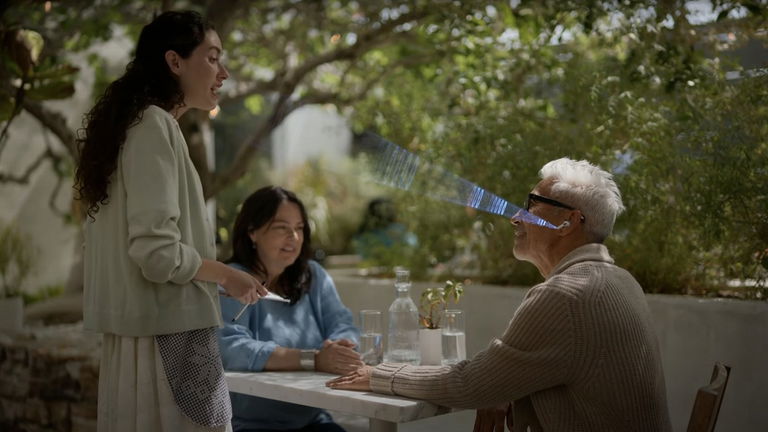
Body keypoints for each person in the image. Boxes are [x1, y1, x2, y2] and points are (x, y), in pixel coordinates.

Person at [328, 158, 673, 432]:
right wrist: (508, 389)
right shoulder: (619, 280)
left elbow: (470, 384)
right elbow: (546, 372)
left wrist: (380, 375)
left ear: (568, 222)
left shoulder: (567, 296)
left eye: (532, 204)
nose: (515, 218)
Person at [75, 10, 267, 432]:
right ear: (174, 61)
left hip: (150, 337)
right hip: (168, 339)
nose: (224, 72)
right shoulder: (152, 126)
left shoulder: (138, 125)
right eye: (213, 58)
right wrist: (225, 275)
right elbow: (155, 252)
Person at [218, 186, 363, 432]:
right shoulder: (233, 281)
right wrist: (313, 359)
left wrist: (339, 348)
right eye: (281, 228)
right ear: (252, 232)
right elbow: (230, 349)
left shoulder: (313, 276)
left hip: (312, 419)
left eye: (299, 228)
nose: (294, 237)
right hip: (251, 425)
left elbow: (343, 323)